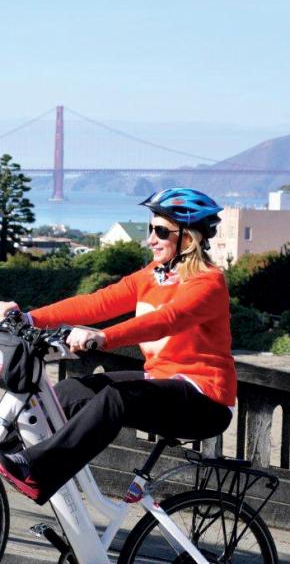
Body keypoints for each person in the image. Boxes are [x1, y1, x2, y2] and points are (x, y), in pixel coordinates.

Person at [0, 188, 237, 505]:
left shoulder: (208, 282)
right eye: (151, 229)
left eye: (161, 231)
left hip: (205, 401)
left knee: (116, 398)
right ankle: (8, 453)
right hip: (161, 383)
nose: (151, 239)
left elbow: (167, 319)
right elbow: (96, 304)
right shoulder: (152, 277)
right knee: (73, 391)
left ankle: (36, 469)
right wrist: (29, 318)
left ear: (189, 237)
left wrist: (103, 337)